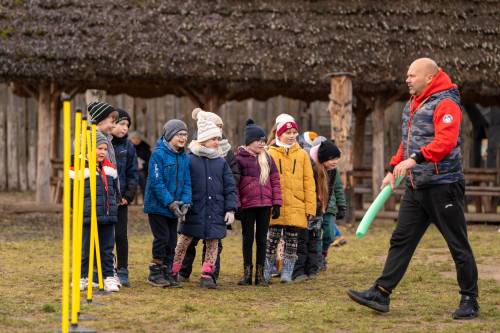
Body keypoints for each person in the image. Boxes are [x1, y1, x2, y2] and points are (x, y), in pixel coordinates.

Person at [347, 58, 479, 320]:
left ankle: (469, 300)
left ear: (429, 78)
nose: (407, 79)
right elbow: (406, 143)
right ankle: (381, 293)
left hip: (444, 186)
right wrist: (392, 168)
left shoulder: (446, 103)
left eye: (412, 75)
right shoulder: (414, 104)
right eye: (407, 74)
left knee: (457, 244)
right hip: (417, 186)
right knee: (400, 240)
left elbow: (446, 141)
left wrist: (415, 159)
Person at [171, 117, 237, 289]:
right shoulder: (189, 159)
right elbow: (183, 183)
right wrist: (182, 203)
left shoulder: (221, 162)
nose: (217, 142)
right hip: (193, 210)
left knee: (213, 244)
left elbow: (230, 187)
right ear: (203, 139)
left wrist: (230, 209)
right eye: (213, 139)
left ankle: (207, 274)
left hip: (215, 211)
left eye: (218, 139)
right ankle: (174, 270)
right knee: (183, 242)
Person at [264, 114, 316, 283]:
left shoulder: (302, 155)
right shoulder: (270, 153)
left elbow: (309, 183)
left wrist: (310, 208)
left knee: (292, 241)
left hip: (296, 204)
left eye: (294, 132)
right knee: (272, 239)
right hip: (276, 205)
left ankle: (287, 271)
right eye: (288, 132)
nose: (292, 135)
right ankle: (267, 268)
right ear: (279, 134)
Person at [143, 120, 192, 287]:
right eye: (180, 134)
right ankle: (155, 272)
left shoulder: (184, 157)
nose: (183, 138)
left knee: (172, 240)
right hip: (158, 207)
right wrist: (170, 202)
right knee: (162, 238)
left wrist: (185, 202)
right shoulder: (158, 155)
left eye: (185, 134)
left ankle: (167, 271)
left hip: (175, 207)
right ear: (170, 135)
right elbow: (157, 183)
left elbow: (186, 181)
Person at [236, 119, 282, 286]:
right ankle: (247, 273)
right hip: (248, 205)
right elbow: (235, 184)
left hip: (265, 205)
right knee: (247, 239)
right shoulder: (239, 158)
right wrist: (237, 205)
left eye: (263, 141)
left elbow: (275, 181)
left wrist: (276, 203)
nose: (262, 144)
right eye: (258, 141)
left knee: (263, 239)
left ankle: (260, 275)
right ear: (249, 142)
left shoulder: (268, 159)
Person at [76, 131, 120, 292]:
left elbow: (114, 190)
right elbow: (72, 192)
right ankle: (83, 277)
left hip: (107, 215)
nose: (102, 152)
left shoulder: (110, 168)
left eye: (104, 149)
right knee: (86, 249)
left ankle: (108, 277)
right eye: (98, 148)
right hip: (88, 215)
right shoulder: (78, 168)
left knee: (107, 249)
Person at [309, 139, 346, 272]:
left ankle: (323, 254)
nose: (335, 161)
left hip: (329, 207)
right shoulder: (313, 169)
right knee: (316, 234)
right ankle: (318, 259)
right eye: (332, 159)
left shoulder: (334, 171)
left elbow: (338, 189)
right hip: (316, 208)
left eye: (337, 158)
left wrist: (342, 206)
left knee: (329, 235)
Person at [111, 109, 138, 287]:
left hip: (121, 200)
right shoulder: (103, 144)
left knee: (121, 235)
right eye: (121, 124)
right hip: (105, 198)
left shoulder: (129, 147)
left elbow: (132, 172)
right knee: (106, 235)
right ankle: (107, 268)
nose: (124, 128)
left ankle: (122, 269)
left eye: (127, 125)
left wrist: (129, 194)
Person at [129, 131, 151, 197]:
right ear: (130, 139)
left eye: (138, 138)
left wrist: (143, 166)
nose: (136, 140)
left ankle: (146, 199)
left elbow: (150, 161)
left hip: (142, 170)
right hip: (129, 169)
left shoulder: (145, 147)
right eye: (133, 138)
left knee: (142, 177)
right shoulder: (127, 146)